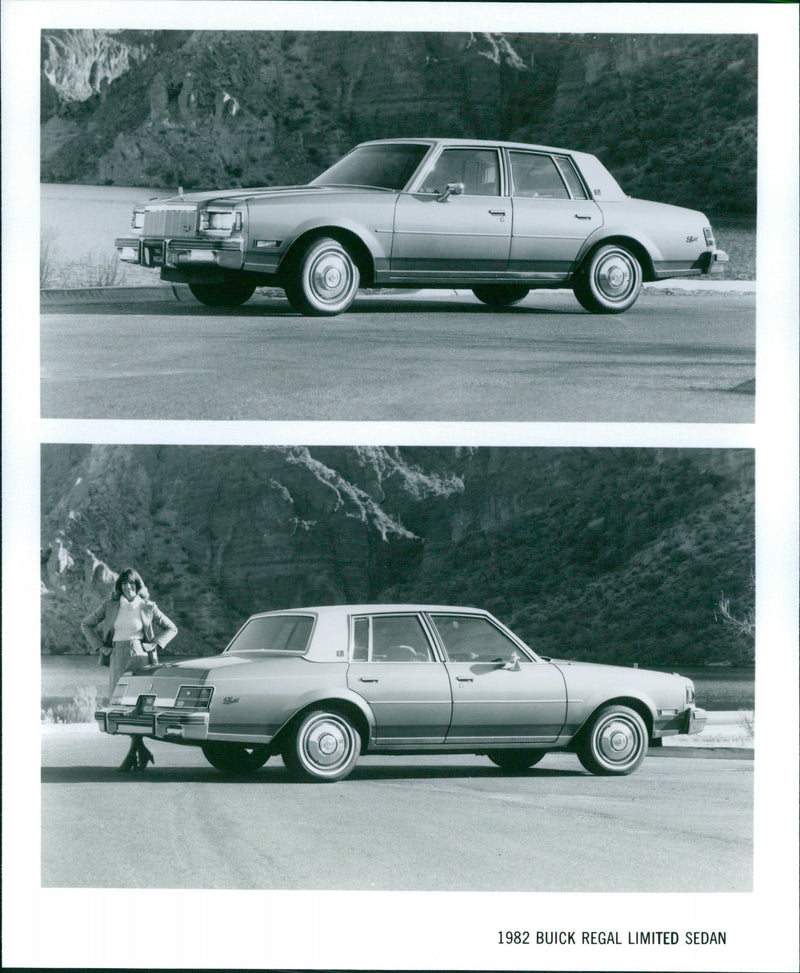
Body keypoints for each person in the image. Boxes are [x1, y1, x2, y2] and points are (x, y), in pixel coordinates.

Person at [81, 567, 178, 771]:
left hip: (141, 658)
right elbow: (86, 624)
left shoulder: (148, 606)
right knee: (122, 707)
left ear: (137, 586)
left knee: (139, 707)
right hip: (117, 656)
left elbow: (171, 628)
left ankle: (132, 756)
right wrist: (101, 647)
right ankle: (140, 751)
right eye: (124, 584)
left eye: (131, 584)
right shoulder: (109, 606)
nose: (127, 587)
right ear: (119, 587)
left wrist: (155, 644)